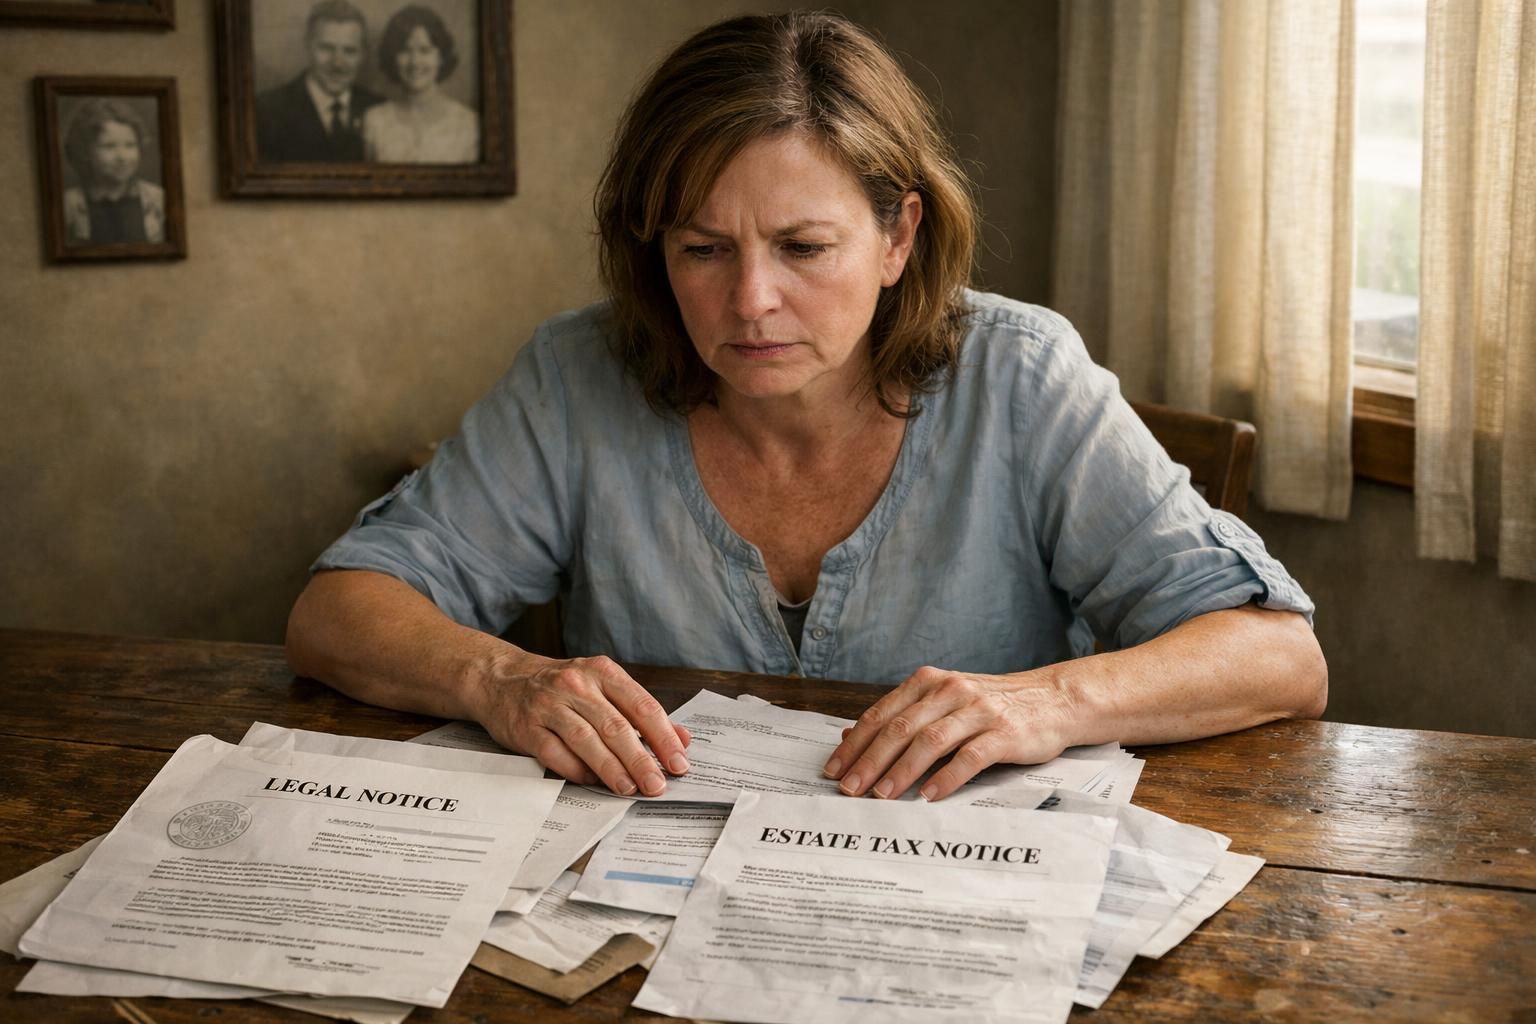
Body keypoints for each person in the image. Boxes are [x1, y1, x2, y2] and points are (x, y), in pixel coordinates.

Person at [287, 12, 1326, 804]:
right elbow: (335, 613)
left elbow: (1280, 655)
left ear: (897, 239)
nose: (749, 301)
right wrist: (497, 678)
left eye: (803, 247)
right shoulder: (577, 376)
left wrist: (1045, 699)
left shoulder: (1025, 377)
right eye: (703, 248)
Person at [254, 0, 382, 163]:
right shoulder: (266, 111)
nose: (338, 63)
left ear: (363, 54)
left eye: (349, 51)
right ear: (308, 46)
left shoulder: (378, 109)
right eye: (327, 48)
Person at [362, 4, 479, 164]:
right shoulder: (374, 121)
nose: (415, 62)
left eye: (425, 50)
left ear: (441, 57)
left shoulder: (467, 123)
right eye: (405, 50)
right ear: (392, 57)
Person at [61, 98, 165, 246]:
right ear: (85, 151)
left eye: (130, 145)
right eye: (108, 146)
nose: (122, 157)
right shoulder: (69, 205)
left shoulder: (157, 199)